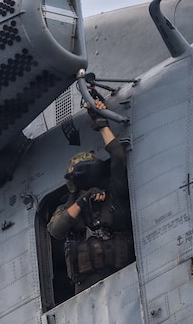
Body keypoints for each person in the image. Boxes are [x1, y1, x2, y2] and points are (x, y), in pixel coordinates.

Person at [47, 97, 134, 293]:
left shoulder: (113, 199)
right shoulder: (67, 210)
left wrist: (101, 124)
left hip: (122, 281)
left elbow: (119, 157)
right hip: (87, 291)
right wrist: (83, 201)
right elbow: (57, 230)